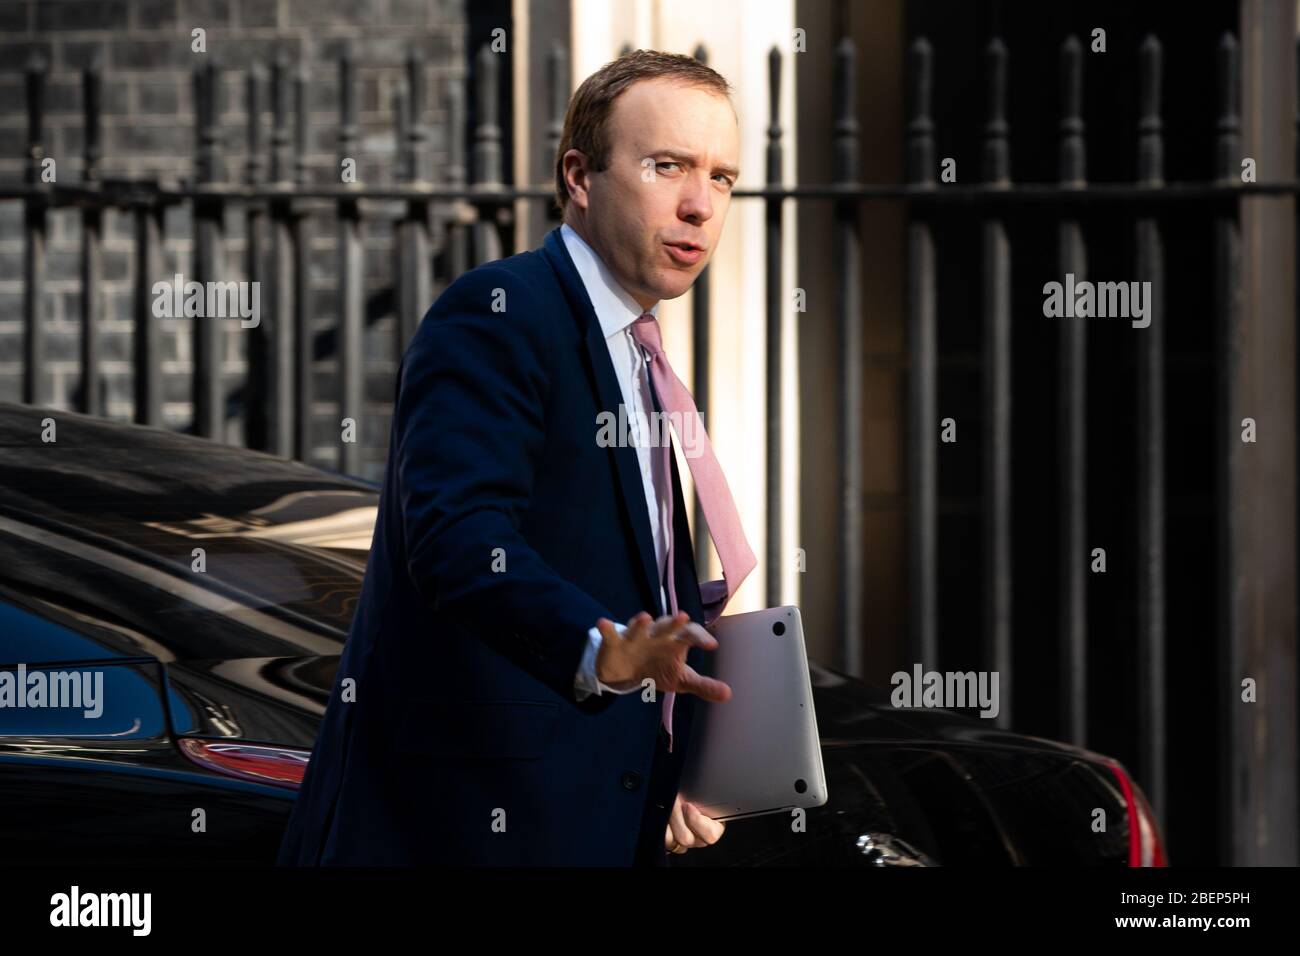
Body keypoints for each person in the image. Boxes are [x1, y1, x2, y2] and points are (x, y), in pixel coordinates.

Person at [277, 48, 752, 866]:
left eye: (722, 178)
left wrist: (674, 761)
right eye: (667, 165)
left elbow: (635, 580)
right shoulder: (498, 314)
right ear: (579, 175)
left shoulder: (638, 350)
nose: (699, 205)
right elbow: (456, 539)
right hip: (465, 832)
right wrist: (601, 647)